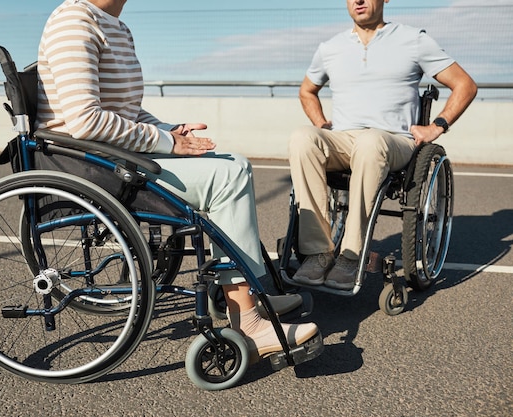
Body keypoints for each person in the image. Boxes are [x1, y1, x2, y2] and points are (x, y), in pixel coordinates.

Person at [35, 0, 319, 360]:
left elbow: (127, 112)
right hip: (91, 165)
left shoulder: (116, 26)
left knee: (235, 163)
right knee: (225, 178)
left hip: (116, 156)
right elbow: (86, 121)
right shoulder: (73, 22)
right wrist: (169, 143)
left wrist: (167, 129)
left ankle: (246, 292)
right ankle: (246, 321)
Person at [287, 0, 477, 290]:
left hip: (393, 140)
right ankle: (318, 253)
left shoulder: (414, 40)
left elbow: (464, 84)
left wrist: (437, 126)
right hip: (344, 138)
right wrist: (322, 125)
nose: (358, 1)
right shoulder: (331, 47)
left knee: (371, 140)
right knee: (302, 137)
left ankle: (351, 256)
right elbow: (307, 91)